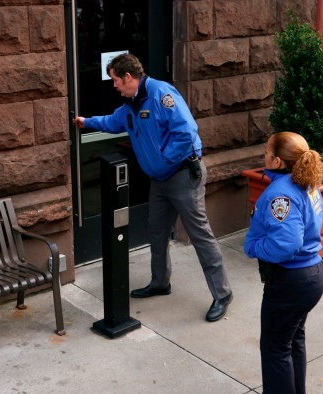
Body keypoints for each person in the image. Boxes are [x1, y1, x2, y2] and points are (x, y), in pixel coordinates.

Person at [73, 53, 232, 322]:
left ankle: (222, 293)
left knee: (200, 235)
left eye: (115, 80)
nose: (114, 86)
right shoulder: (130, 106)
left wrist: (163, 161)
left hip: (182, 176)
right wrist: (86, 122)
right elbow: (112, 123)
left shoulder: (161, 93)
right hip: (159, 182)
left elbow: (186, 131)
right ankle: (160, 283)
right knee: (157, 233)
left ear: (128, 77)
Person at [243, 131, 323, 394]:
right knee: (292, 340)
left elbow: (286, 244)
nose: (264, 155)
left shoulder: (281, 195)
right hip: (311, 274)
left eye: (267, 152)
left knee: (275, 349)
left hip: (292, 281)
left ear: (277, 161)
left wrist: (253, 247)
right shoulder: (306, 182)